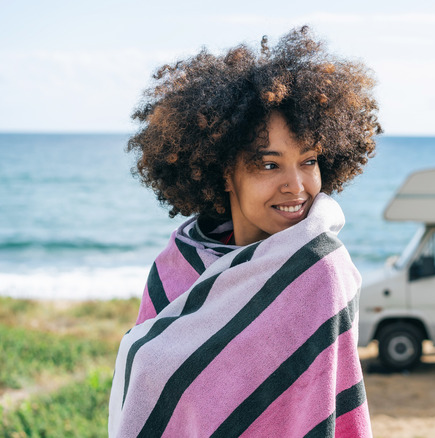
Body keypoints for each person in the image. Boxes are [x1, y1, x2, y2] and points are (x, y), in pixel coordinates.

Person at [108, 26, 381, 437]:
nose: (297, 185)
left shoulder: (320, 271)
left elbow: (321, 408)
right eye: (269, 165)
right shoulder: (175, 266)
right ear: (225, 174)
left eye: (308, 161)